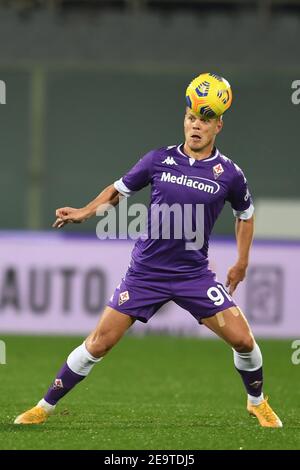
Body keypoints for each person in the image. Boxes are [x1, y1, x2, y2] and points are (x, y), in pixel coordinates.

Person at [14, 105, 282, 428]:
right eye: (191, 118)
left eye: (205, 121)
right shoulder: (159, 159)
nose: (196, 126)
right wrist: (85, 212)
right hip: (146, 274)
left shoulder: (229, 174)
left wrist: (242, 261)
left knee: (244, 341)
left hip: (192, 276)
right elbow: (118, 191)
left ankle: (257, 402)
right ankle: (44, 407)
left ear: (218, 126)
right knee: (99, 342)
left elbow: (246, 214)